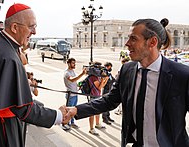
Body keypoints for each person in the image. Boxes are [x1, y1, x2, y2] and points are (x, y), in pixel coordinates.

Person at [64, 18, 189, 147]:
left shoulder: (182, 75)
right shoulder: (127, 69)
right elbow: (109, 101)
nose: (127, 43)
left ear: (152, 42)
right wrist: (76, 110)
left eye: (133, 39)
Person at [0, 3, 67, 147]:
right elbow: (24, 109)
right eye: (31, 26)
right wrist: (58, 116)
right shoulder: (8, 56)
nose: (34, 32)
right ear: (15, 27)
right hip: (2, 128)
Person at [63, 58, 86, 130]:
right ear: (69, 63)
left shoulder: (72, 71)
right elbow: (72, 79)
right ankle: (65, 123)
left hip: (75, 94)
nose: (74, 65)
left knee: (73, 110)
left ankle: (72, 122)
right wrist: (82, 74)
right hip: (70, 95)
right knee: (68, 110)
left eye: (75, 63)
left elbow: (74, 81)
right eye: (73, 63)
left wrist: (78, 86)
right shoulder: (67, 73)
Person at [87, 61, 109, 136]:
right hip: (93, 96)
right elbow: (99, 87)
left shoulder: (97, 76)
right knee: (92, 113)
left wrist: (105, 79)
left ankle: (97, 124)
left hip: (98, 95)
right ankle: (91, 128)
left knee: (98, 111)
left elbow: (101, 86)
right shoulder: (93, 77)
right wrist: (103, 80)